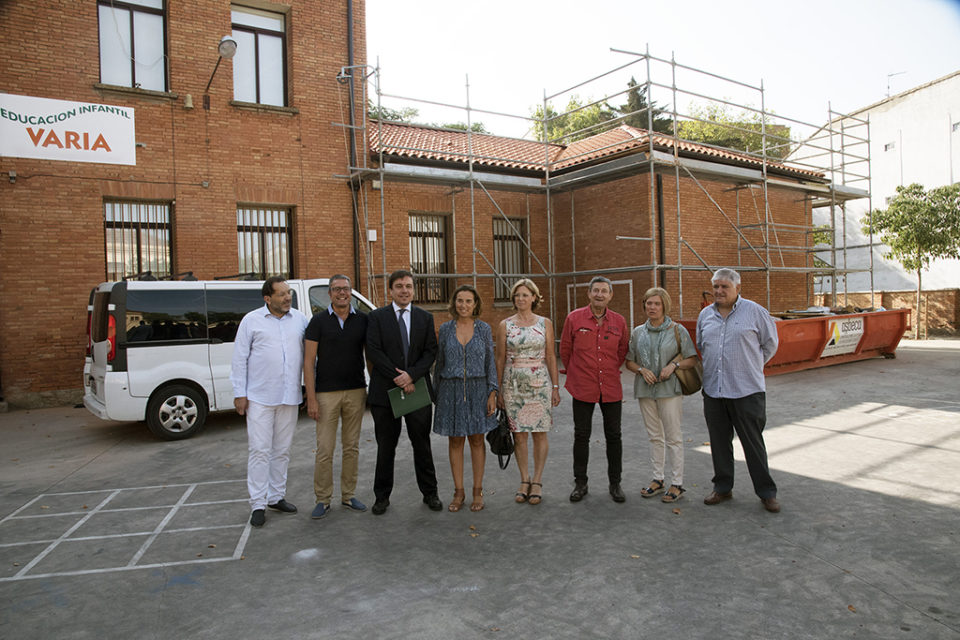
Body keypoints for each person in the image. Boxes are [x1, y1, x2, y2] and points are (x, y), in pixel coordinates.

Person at [697, 268, 781, 513]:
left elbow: (770, 345)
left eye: (725, 287)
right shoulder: (705, 315)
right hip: (714, 391)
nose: (719, 291)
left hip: (747, 391)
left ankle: (767, 492)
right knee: (719, 443)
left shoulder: (755, 312)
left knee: (753, 443)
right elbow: (703, 346)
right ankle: (723, 488)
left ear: (737, 288)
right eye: (716, 287)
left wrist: (751, 366)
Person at [230, 276, 309, 528]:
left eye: (289, 293)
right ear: (267, 298)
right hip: (260, 397)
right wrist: (239, 393)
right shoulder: (251, 321)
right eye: (282, 294)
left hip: (289, 396)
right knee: (260, 450)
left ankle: (276, 496)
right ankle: (258, 503)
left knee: (282, 450)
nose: (288, 298)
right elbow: (239, 358)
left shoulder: (299, 319)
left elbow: (310, 355)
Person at [366, 269, 441, 515]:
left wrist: (412, 375)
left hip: (416, 390)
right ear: (391, 290)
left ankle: (430, 493)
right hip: (385, 393)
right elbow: (374, 351)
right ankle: (382, 497)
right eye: (399, 286)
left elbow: (431, 351)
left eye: (408, 286)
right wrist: (399, 377)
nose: (404, 290)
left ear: (413, 289)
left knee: (422, 444)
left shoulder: (424, 317)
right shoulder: (376, 317)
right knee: (386, 446)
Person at [303, 274, 369, 520]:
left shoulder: (363, 320)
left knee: (351, 447)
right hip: (325, 394)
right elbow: (308, 362)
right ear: (329, 294)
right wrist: (310, 398)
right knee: (325, 449)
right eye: (336, 289)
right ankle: (323, 498)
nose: (342, 293)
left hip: (355, 390)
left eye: (346, 288)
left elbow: (370, 356)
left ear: (351, 292)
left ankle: (348, 495)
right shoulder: (318, 322)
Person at [559, 276, 630, 503]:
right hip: (582, 386)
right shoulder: (574, 318)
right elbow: (566, 351)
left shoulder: (619, 322)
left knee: (614, 436)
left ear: (610, 295)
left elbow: (621, 351)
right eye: (596, 290)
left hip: (610, 386)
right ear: (588, 294)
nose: (600, 294)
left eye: (604, 291)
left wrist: (606, 369)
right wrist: (578, 373)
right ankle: (580, 483)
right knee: (581, 435)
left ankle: (615, 483)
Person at [625, 287, 699, 503]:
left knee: (673, 437)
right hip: (646, 390)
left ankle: (677, 483)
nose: (652, 307)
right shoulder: (638, 332)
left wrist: (673, 365)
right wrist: (641, 370)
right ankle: (658, 479)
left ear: (664, 305)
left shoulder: (677, 330)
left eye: (657, 303)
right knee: (654, 436)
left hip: (669, 390)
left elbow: (692, 358)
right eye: (649, 303)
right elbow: (629, 360)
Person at [432, 285, 498, 512]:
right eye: (460, 301)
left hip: (479, 389)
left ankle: (477, 491)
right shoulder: (445, 329)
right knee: (456, 440)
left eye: (468, 301)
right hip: (450, 391)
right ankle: (458, 491)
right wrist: (437, 394)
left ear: (476, 304)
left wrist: (492, 392)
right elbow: (439, 363)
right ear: (454, 303)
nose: (464, 305)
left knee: (477, 440)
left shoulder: (484, 329)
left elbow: (491, 361)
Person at [495, 279, 560, 506]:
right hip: (513, 385)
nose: (520, 299)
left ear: (534, 297)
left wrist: (554, 386)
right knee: (519, 434)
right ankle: (524, 479)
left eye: (525, 295)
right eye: (517, 296)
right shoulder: (505, 325)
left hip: (539, 384)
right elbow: (500, 358)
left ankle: (538, 480)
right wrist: (499, 390)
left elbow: (551, 356)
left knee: (539, 433)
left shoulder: (545, 323)